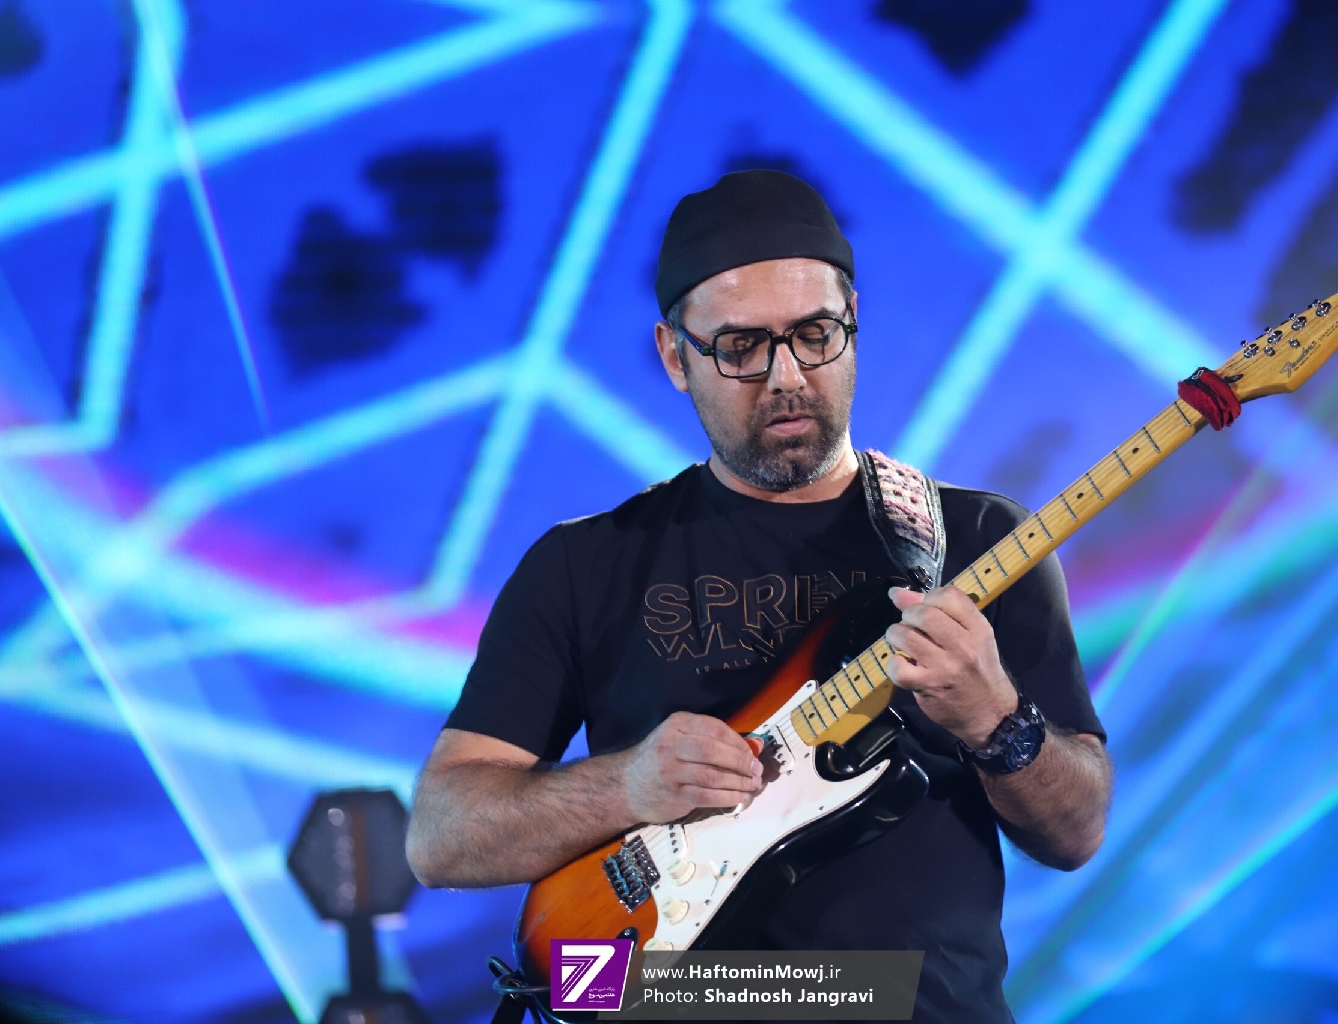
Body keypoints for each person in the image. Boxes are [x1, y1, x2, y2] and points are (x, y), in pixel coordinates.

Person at [406, 169, 1113, 1023]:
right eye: (740, 346)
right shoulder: (582, 564)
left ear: (853, 323)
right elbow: (438, 838)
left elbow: (1075, 834)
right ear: (675, 356)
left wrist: (995, 721)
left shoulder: (979, 541)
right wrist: (625, 785)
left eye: (814, 335)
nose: (786, 376)